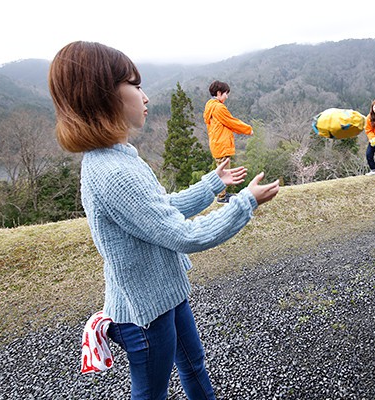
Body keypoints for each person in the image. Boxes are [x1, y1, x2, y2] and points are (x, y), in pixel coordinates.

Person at [48, 41, 280, 399]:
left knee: (193, 365)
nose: (145, 96)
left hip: (165, 294)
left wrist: (212, 184)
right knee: (151, 393)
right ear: (102, 95)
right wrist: (244, 203)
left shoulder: (117, 158)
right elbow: (181, 234)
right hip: (145, 316)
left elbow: (158, 211)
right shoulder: (113, 172)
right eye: (135, 85)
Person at [204, 80, 253, 204]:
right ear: (219, 93)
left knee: (222, 170)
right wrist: (248, 130)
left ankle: (223, 194)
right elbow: (232, 122)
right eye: (226, 93)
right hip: (221, 144)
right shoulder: (218, 107)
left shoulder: (210, 106)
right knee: (223, 172)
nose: (227, 96)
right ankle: (221, 197)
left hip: (217, 144)